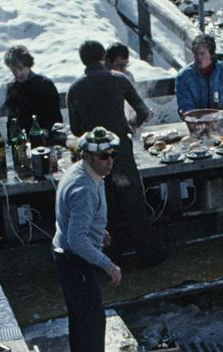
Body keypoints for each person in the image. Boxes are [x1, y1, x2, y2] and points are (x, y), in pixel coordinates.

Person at [67, 42, 160, 269]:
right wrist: (131, 126)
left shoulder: (75, 89)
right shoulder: (119, 79)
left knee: (103, 206)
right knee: (134, 202)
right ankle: (147, 254)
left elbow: (77, 129)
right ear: (103, 57)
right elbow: (143, 111)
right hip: (120, 150)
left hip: (94, 158)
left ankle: (111, 258)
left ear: (83, 61)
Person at [52, 126, 123, 352]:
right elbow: (76, 239)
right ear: (89, 157)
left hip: (69, 252)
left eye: (111, 154)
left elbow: (79, 223)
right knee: (90, 322)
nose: (110, 160)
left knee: (84, 319)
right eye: (104, 156)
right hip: (73, 259)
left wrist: (97, 231)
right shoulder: (83, 188)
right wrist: (108, 264)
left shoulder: (87, 174)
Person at [175, 32, 223, 112]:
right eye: (196, 54)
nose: (199, 57)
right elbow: (185, 106)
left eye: (202, 54)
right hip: (196, 120)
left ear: (212, 54)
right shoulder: (184, 76)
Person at [2, 46, 62, 131]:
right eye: (13, 70)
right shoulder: (12, 89)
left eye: (21, 68)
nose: (18, 74)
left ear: (28, 64)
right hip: (22, 141)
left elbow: (56, 119)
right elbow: (11, 123)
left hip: (45, 138)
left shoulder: (44, 84)